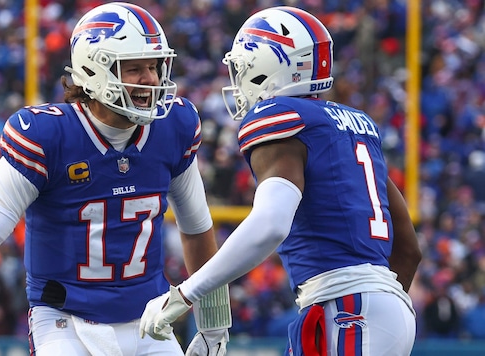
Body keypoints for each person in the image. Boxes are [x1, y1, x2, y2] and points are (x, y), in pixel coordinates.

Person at [0, 3, 231, 356]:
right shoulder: (48, 136)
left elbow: (198, 232)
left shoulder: (173, 127)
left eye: (154, 67)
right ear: (95, 71)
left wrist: (213, 326)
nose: (151, 80)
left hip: (149, 320)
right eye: (135, 68)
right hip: (67, 323)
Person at [140, 6, 422, 355]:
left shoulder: (280, 116)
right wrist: (385, 308)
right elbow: (409, 248)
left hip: (348, 307)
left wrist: (187, 292)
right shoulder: (354, 124)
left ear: (269, 66)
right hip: (365, 304)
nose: (238, 80)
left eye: (242, 69)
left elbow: (271, 224)